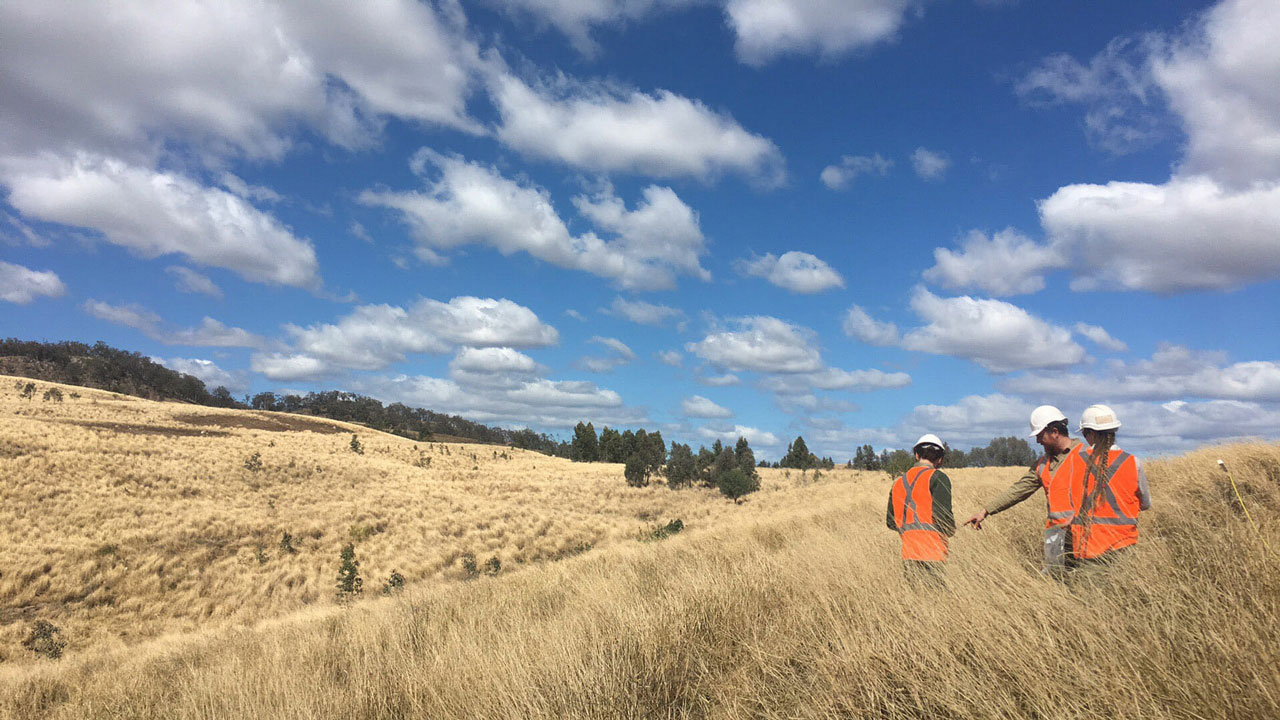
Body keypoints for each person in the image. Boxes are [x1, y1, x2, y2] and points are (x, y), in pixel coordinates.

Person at [963, 405, 1090, 573]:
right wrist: (986, 511)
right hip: (1056, 537)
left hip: (1087, 536)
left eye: (1040, 435)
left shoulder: (1088, 456)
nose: (1037, 441)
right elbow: (1018, 490)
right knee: (1057, 585)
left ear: (1054, 432)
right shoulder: (1043, 464)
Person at [1071, 404, 1151, 568]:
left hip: (1088, 549)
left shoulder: (1074, 462)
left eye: (1085, 434)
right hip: (1124, 549)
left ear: (1091, 433)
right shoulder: (1133, 462)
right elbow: (1145, 504)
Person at [887, 434, 955, 581]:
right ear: (940, 459)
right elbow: (944, 518)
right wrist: (950, 531)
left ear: (916, 455)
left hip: (908, 552)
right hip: (934, 552)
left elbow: (890, 522)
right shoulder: (938, 478)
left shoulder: (898, 483)